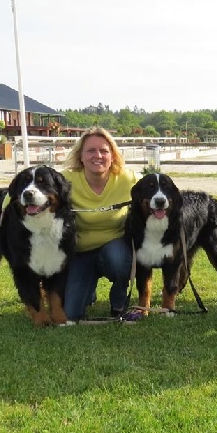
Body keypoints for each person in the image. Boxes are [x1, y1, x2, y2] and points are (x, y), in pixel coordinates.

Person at [61, 126, 138, 322]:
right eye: (91, 150)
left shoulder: (127, 178)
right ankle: (88, 290)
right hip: (80, 253)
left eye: (104, 150)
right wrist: (5, 206)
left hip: (115, 249)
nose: (98, 155)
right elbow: (33, 185)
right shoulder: (67, 179)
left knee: (119, 259)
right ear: (80, 156)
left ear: (112, 155)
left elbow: (157, 188)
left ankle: (119, 304)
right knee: (71, 314)